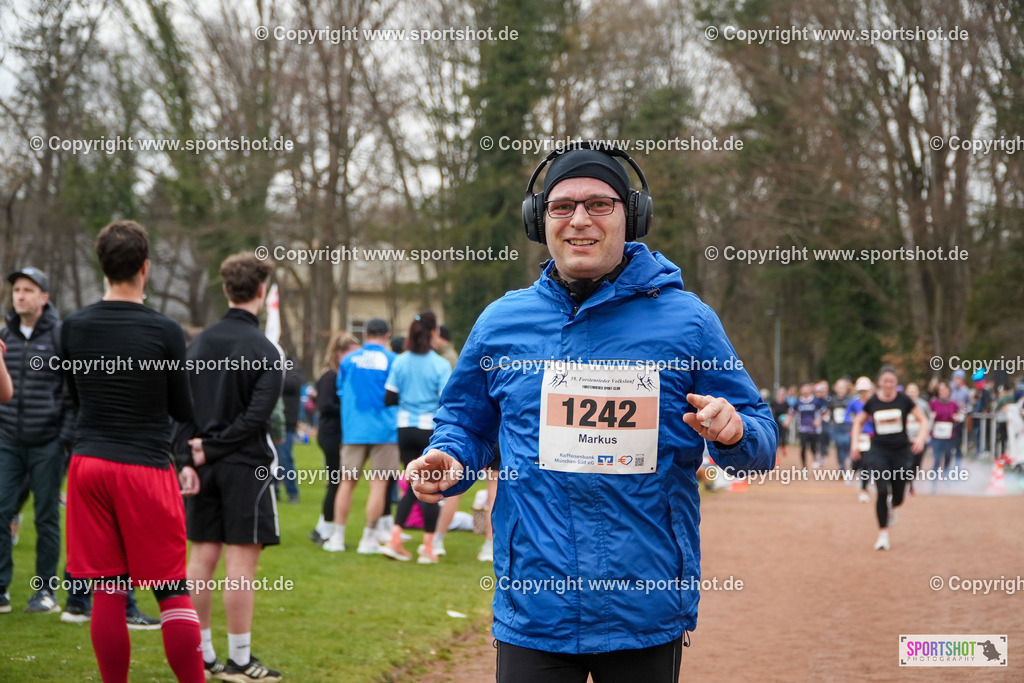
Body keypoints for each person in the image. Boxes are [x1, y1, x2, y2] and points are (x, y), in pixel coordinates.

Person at [406, 143, 777, 681]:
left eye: (599, 204)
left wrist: (734, 431)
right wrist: (449, 457)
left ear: (633, 216)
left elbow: (761, 443)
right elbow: (466, 424)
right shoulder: (500, 324)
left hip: (643, 610)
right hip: (535, 609)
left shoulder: (689, 323)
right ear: (540, 221)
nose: (579, 220)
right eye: (562, 207)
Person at [62, 221, 204, 682]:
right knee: (170, 588)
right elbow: (183, 408)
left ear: (102, 268)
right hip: (143, 464)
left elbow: (74, 399)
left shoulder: (73, 327)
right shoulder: (165, 330)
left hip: (88, 464)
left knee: (107, 587)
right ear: (145, 269)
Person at [175, 252, 284, 682]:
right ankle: (239, 661)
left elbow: (179, 410)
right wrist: (202, 452)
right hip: (245, 467)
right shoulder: (266, 350)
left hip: (204, 465)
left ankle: (202, 656)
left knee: (200, 559)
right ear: (262, 292)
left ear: (225, 289)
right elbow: (255, 421)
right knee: (240, 566)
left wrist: (189, 456)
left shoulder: (197, 343)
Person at [0, 267, 70, 615]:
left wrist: (63, 439)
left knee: (46, 518)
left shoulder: (60, 338)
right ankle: (1, 589)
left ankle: (44, 592)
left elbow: (71, 394)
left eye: (28, 289)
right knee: (1, 509)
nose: (20, 295)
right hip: (8, 442)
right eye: (16, 290)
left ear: (45, 297)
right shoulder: (4, 337)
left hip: (48, 444)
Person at [381, 311, 452, 563]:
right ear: (434, 333)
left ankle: (395, 538)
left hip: (404, 429)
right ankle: (428, 548)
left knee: (412, 483)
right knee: (430, 486)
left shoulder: (400, 361)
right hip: (429, 429)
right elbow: (447, 400)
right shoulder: (440, 365)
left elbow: (389, 398)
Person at [323, 318, 399, 554]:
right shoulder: (393, 360)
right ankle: (368, 539)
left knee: (346, 483)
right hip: (385, 429)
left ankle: (337, 536)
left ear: (366, 335)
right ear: (387, 335)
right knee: (378, 485)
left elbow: (342, 391)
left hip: (354, 428)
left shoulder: (348, 360)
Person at [850, 366, 928, 550]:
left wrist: (921, 438)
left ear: (896, 383)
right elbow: (858, 421)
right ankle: (883, 535)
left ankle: (893, 506)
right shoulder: (873, 401)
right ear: (880, 382)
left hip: (900, 451)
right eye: (885, 381)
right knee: (882, 490)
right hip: (879, 451)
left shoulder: (904, 400)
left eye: (891, 381)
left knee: (899, 496)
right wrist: (855, 443)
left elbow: (923, 420)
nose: (888, 385)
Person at [309, 333, 360, 545]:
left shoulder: (337, 374)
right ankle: (326, 530)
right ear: (340, 353)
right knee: (336, 483)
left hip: (333, 433)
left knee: (336, 482)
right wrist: (349, 407)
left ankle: (322, 527)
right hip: (331, 434)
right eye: (351, 352)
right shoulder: (330, 375)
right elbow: (325, 406)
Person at [275, 355, 304, 503]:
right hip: (271, 422)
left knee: (285, 458)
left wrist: (273, 375)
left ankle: (292, 492)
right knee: (271, 459)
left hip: (287, 422)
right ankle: (275, 491)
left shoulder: (292, 367)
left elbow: (292, 384)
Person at [846, 376, 875, 502]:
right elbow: (846, 417)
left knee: (867, 463)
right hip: (857, 436)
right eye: (861, 391)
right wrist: (855, 420)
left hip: (870, 436)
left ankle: (864, 490)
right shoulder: (854, 403)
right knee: (856, 461)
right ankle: (852, 471)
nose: (863, 393)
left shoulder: (874, 403)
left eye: (865, 390)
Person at [928, 381, 960, 487]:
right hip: (936, 436)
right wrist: (931, 417)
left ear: (949, 391)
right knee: (937, 459)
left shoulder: (953, 404)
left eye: (945, 390)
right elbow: (928, 417)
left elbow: (957, 417)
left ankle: (947, 480)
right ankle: (934, 482)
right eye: (940, 390)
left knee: (947, 457)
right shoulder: (933, 403)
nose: (943, 392)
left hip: (949, 435)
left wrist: (957, 418)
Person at [794, 383, 823, 469]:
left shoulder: (816, 402)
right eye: (804, 388)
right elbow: (792, 412)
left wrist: (819, 420)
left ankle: (815, 457)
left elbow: (824, 412)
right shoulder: (798, 402)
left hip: (814, 429)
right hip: (802, 428)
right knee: (803, 447)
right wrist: (787, 420)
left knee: (813, 447)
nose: (805, 390)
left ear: (811, 390)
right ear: (801, 390)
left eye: (807, 388)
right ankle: (804, 466)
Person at [828, 378, 853, 472]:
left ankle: (846, 464)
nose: (841, 389)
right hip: (836, 426)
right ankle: (841, 466)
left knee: (846, 445)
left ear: (847, 388)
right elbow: (830, 412)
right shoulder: (833, 399)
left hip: (847, 426)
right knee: (839, 446)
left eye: (843, 387)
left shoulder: (850, 399)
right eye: (839, 387)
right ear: (835, 388)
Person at [769, 387, 791, 461]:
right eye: (779, 393)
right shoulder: (773, 402)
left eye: (782, 394)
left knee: (783, 436)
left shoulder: (786, 403)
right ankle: (776, 456)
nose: (780, 395)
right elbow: (770, 411)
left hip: (783, 422)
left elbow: (789, 413)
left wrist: (787, 421)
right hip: (775, 422)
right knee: (776, 439)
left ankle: (783, 447)